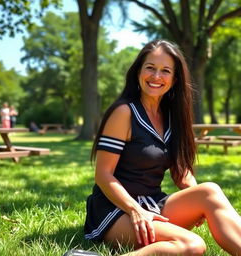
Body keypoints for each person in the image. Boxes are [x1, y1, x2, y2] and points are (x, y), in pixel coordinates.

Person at [83, 39, 241, 256]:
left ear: (175, 79)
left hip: (153, 203)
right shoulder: (124, 112)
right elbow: (103, 174)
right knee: (192, 245)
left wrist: (194, 196)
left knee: (209, 190)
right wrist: (135, 210)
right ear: (138, 71)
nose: (156, 76)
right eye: (150, 68)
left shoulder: (171, 116)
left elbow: (180, 169)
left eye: (165, 70)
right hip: (115, 210)